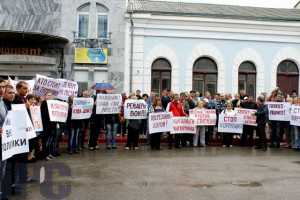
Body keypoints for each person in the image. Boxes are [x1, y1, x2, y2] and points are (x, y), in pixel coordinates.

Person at [0, 79, 9, 200]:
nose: (2, 89)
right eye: (1, 86)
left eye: (3, 87)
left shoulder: (2, 102)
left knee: (2, 167)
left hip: (4, 140)